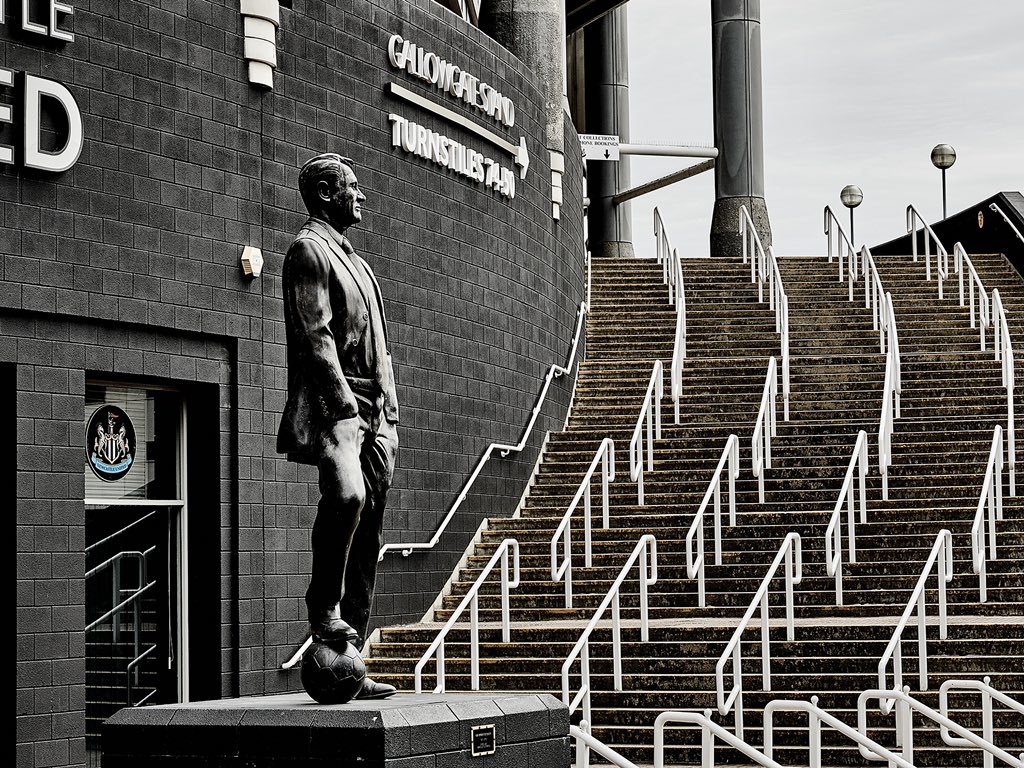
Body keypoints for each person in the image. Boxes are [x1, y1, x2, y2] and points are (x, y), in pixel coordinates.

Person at [278, 153, 399, 699]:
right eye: (352, 186)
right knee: (347, 498)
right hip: (339, 407)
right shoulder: (308, 250)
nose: (362, 194)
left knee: (369, 536)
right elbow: (316, 336)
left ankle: (353, 657)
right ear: (325, 194)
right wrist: (346, 407)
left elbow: (381, 347)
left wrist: (389, 412)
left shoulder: (357, 260)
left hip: (379, 414)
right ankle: (322, 608)